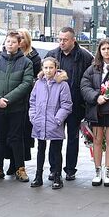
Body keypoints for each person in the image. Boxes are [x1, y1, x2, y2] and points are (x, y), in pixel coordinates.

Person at [45, 27, 94, 181]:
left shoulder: (85, 57)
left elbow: (90, 80)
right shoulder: (52, 55)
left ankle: (70, 169)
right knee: (55, 138)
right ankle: (54, 169)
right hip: (55, 105)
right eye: (60, 39)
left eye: (65, 40)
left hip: (75, 104)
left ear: (73, 40)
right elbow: (43, 77)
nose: (62, 42)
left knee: (73, 138)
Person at [0, 31, 35, 182]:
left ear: (19, 44)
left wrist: (7, 99)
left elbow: (26, 84)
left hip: (17, 108)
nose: (10, 44)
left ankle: (20, 168)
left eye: (13, 42)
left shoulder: (26, 62)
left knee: (16, 138)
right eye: (8, 41)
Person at [80, 38, 109, 187]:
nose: (106, 51)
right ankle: (97, 171)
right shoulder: (92, 68)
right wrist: (96, 97)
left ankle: (108, 172)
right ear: (99, 51)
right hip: (97, 109)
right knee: (97, 141)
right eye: (103, 49)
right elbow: (84, 86)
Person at [28, 57, 73, 189]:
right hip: (40, 121)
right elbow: (32, 101)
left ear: (56, 68)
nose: (48, 70)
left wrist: (57, 119)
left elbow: (66, 105)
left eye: (51, 68)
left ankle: (57, 176)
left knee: (56, 150)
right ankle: (38, 176)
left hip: (54, 123)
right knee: (40, 149)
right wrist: (33, 117)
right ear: (42, 68)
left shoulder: (62, 85)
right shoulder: (38, 83)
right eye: (46, 68)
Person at [17, 29, 42, 166]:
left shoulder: (34, 57)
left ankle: (21, 161)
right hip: (12, 97)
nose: (19, 40)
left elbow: (36, 79)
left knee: (25, 130)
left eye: (22, 38)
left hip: (28, 97)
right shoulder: (9, 53)